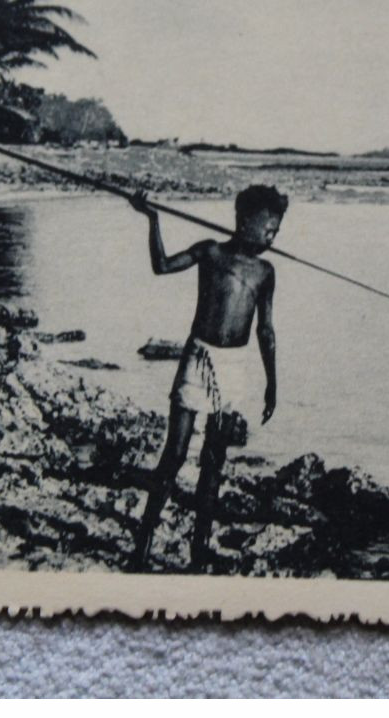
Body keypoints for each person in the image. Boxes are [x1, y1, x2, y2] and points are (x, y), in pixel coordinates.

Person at [127, 183, 287, 572]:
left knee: (214, 462)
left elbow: (265, 331)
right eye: (268, 229)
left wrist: (272, 384)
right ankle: (142, 546)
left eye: (276, 232)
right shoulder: (210, 252)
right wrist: (152, 219)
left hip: (234, 370)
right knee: (174, 454)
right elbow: (161, 265)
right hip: (197, 358)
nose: (272, 238)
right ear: (245, 221)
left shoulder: (266, 272)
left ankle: (198, 553)